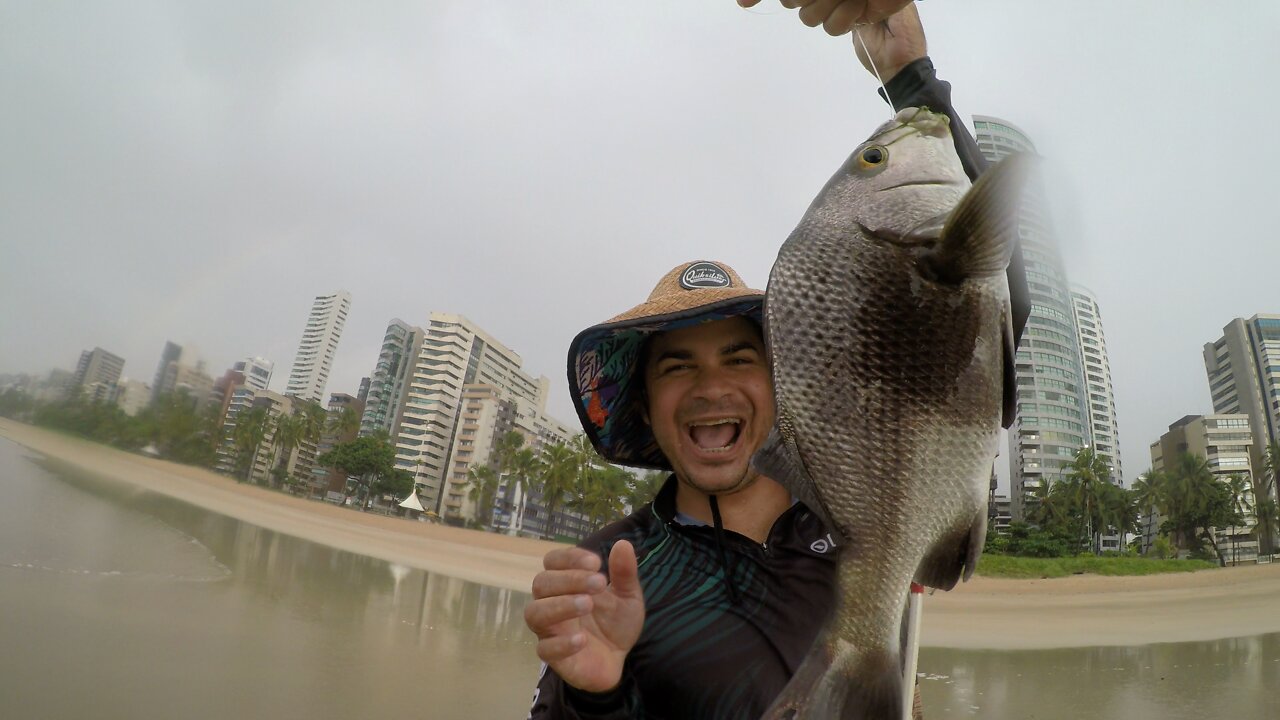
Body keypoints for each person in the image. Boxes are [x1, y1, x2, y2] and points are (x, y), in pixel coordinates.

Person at [524, 4, 1029, 718]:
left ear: (787, 380)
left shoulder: (852, 522)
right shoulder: (614, 565)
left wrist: (909, 75)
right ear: (643, 407)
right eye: (676, 367)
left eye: (739, 356)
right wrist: (593, 693)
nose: (711, 388)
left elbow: (985, 299)